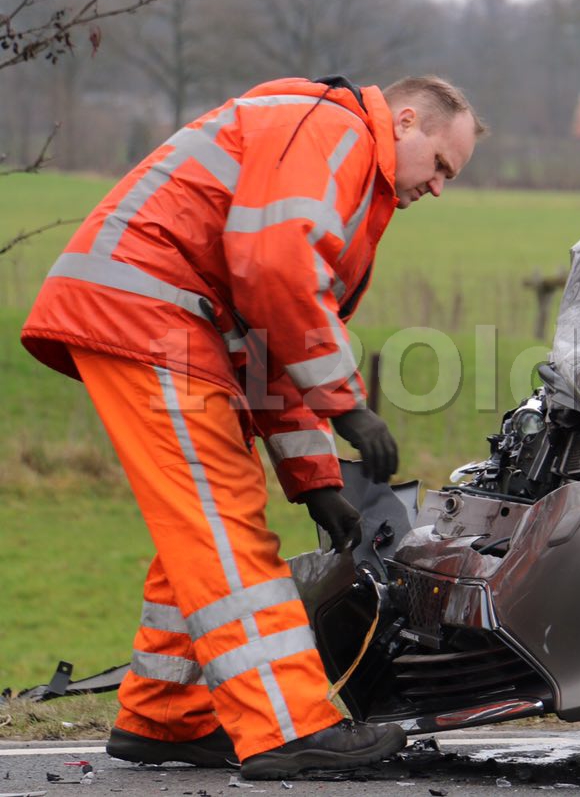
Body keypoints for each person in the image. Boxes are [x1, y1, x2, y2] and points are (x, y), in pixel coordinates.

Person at [20, 74, 483, 779]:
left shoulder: (337, 154)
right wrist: (345, 403)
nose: (440, 188)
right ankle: (287, 725)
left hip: (170, 323)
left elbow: (273, 338)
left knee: (207, 522)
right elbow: (274, 268)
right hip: (151, 318)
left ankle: (167, 717)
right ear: (407, 120)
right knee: (223, 523)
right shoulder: (336, 132)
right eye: (442, 166)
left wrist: (317, 479)